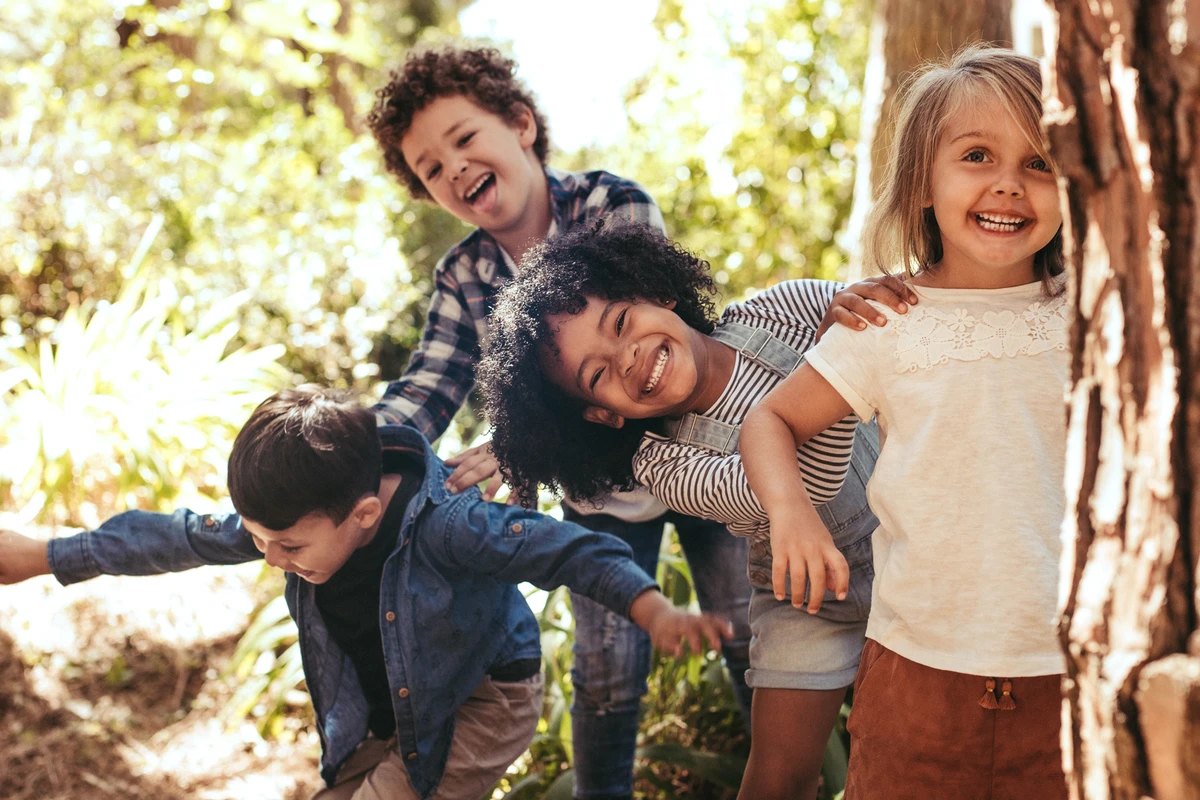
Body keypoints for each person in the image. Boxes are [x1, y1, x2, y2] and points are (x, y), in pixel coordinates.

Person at [0, 386, 733, 800]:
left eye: (288, 548)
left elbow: (563, 548)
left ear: (364, 517)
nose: (273, 560)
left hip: (483, 700)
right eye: (260, 541)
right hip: (390, 699)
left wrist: (650, 606)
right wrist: (43, 555)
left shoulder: (450, 526)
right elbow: (177, 536)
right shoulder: (292, 517)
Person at [365, 45, 759, 799]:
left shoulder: (613, 206)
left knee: (749, 632)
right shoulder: (464, 277)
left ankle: (790, 773)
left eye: (463, 139)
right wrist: (362, 450)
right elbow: (432, 379)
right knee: (606, 668)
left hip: (706, 458)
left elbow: (651, 357)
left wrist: (518, 445)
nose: (453, 168)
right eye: (429, 168)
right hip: (602, 495)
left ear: (519, 125)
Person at [476, 221, 912, 800]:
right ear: (600, 415)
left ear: (658, 292)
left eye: (622, 323)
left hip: (911, 540)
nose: (626, 356)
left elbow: (886, 326)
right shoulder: (662, 463)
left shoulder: (777, 311)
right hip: (807, 601)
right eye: (598, 374)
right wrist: (836, 362)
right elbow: (797, 486)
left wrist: (871, 308)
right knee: (779, 773)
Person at [738, 46, 1069, 799]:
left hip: (1069, 673)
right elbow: (770, 419)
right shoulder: (885, 320)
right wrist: (792, 515)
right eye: (977, 155)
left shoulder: (1095, 315)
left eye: (1040, 163)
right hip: (916, 678)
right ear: (922, 180)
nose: (1009, 184)